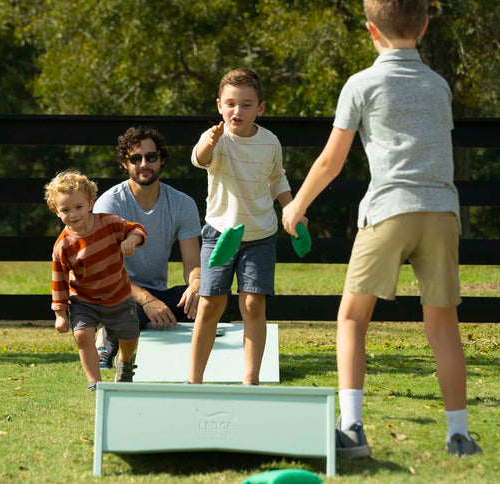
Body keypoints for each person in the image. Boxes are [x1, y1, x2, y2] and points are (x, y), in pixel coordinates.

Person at [281, 0, 482, 458]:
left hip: (389, 209)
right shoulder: (439, 87)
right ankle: (460, 436)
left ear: (372, 30)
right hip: (440, 213)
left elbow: (332, 161)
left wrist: (296, 208)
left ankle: (351, 427)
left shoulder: (362, 84)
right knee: (443, 326)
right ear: (425, 26)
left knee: (353, 317)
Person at [187, 68, 304, 385]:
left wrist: (291, 207)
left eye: (247, 104)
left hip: (260, 236)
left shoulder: (270, 142)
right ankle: (193, 380)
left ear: (260, 108)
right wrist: (209, 143)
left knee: (253, 304)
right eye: (231, 104)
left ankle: (250, 380)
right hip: (218, 233)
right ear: (219, 105)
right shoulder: (215, 138)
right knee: (211, 304)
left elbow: (277, 178)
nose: (237, 111)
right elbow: (199, 158)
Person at [92, 126, 204, 369]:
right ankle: (105, 339)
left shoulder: (182, 204)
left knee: (213, 297)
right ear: (125, 163)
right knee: (130, 309)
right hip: (117, 293)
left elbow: (193, 265)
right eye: (136, 158)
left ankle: (205, 348)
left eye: (151, 157)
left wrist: (196, 284)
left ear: (161, 160)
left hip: (157, 293)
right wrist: (146, 301)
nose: (144, 163)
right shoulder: (109, 204)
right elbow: (106, 273)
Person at [45, 169, 147, 389]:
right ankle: (95, 383)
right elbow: (59, 282)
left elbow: (137, 229)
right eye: (65, 210)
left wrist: (132, 239)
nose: (73, 214)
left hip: (118, 295)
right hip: (84, 300)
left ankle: (125, 362)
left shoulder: (109, 223)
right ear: (56, 211)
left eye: (78, 207)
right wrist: (60, 314)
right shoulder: (62, 246)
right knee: (82, 336)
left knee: (129, 336)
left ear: (91, 203)